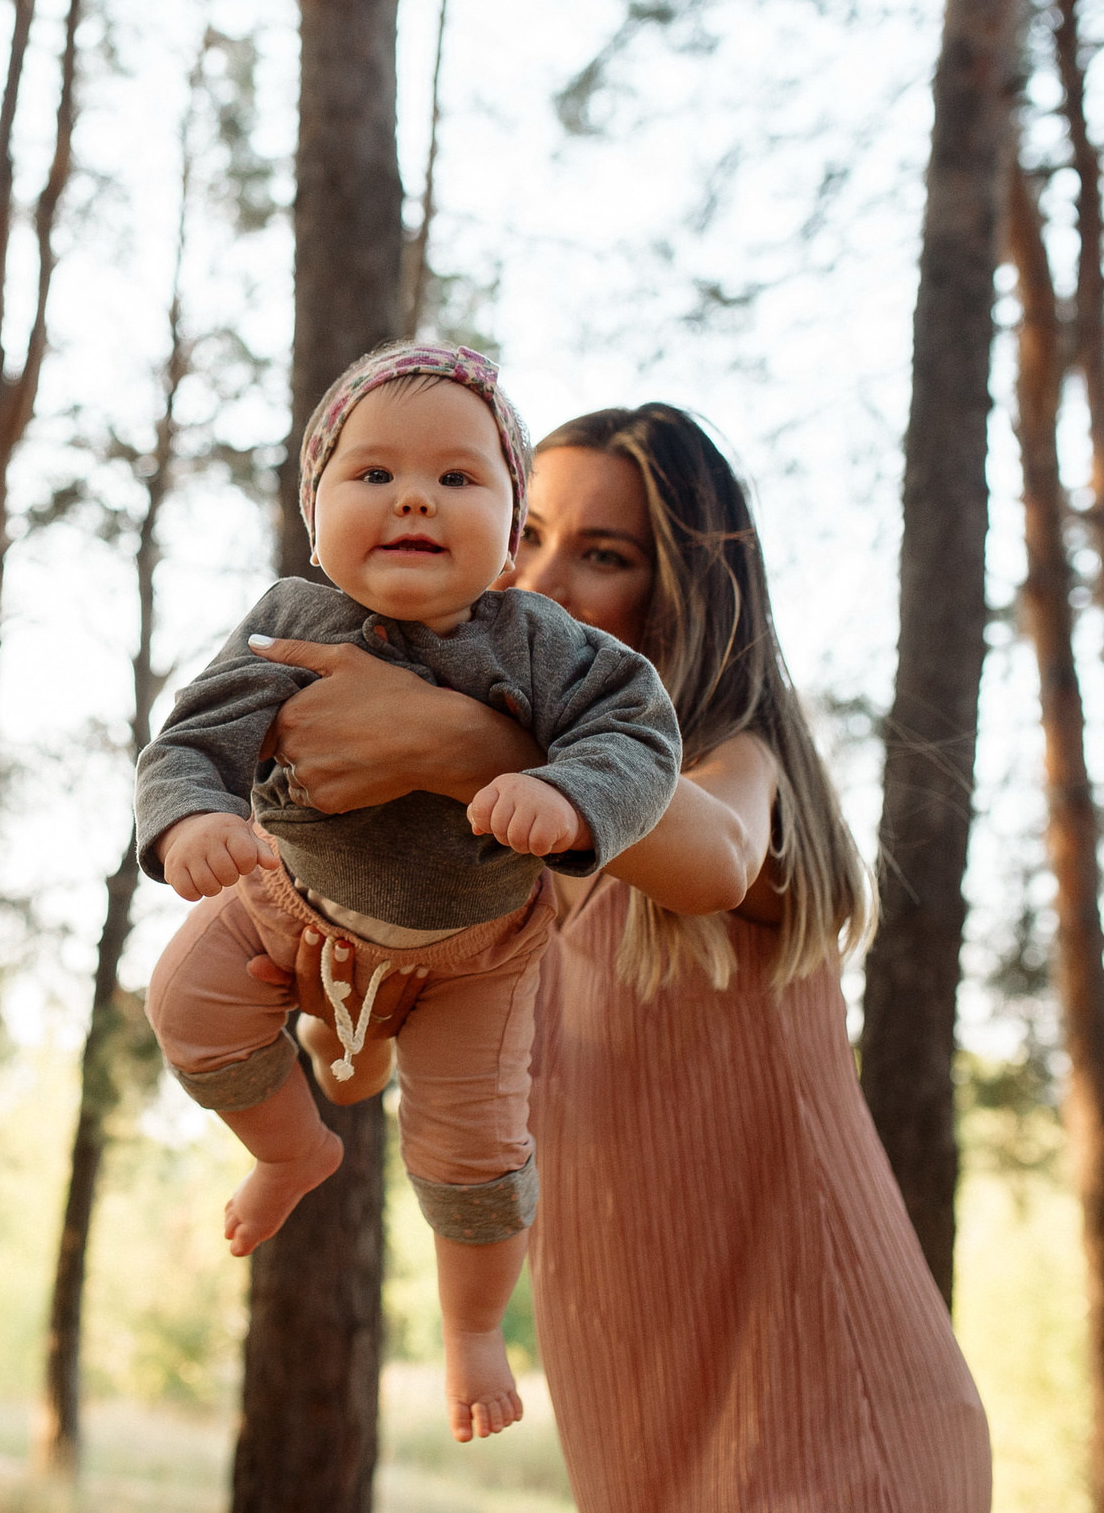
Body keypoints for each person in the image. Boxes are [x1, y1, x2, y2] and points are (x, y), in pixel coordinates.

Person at [252, 403, 994, 1510]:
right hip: (631, 1418)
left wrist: (455, 743)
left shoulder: (730, 768)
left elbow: (717, 856)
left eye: (604, 553)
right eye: (530, 534)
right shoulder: (489, 853)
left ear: (687, 590)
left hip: (836, 1414)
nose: (539, 579)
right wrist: (334, 996)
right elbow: (360, 1070)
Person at [137, 345, 682, 1446]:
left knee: (471, 1148)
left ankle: (473, 1326)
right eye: (372, 474)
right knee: (184, 1001)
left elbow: (638, 732)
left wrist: (569, 794)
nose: (415, 496)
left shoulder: (541, 643)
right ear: (316, 506)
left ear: (506, 520)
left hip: (474, 951)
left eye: (460, 477)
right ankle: (292, 1148)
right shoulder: (289, 622)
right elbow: (190, 741)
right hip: (290, 901)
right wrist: (191, 817)